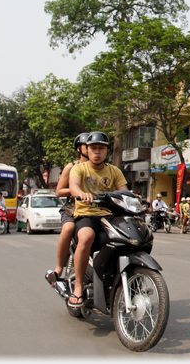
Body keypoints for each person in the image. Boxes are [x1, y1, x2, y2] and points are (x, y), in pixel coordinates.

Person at [67, 131, 128, 308]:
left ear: (107, 151)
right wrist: (81, 194)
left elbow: (123, 191)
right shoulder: (79, 168)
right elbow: (74, 187)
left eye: (101, 148)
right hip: (87, 215)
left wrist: (132, 199)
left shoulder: (114, 171)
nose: (97, 152)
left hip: (109, 217)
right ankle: (78, 286)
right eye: (93, 148)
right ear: (86, 149)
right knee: (85, 237)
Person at [47, 132, 89, 283]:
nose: (92, 149)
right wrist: (77, 191)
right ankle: (59, 267)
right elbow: (59, 191)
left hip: (94, 208)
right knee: (68, 229)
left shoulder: (102, 168)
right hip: (73, 207)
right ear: (79, 149)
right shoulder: (71, 167)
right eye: (88, 146)